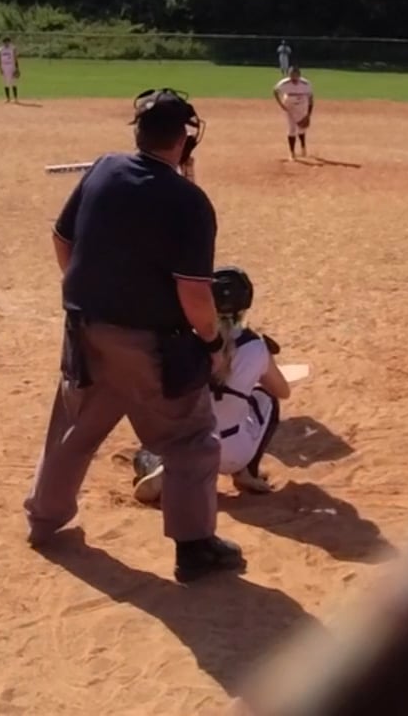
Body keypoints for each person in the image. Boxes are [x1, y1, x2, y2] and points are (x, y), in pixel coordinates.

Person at [23, 87, 246, 583]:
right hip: (152, 346)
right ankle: (194, 548)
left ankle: (43, 519)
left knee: (73, 429)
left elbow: (62, 239)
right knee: (190, 438)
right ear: (185, 141)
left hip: (86, 331)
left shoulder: (104, 168)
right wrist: (213, 343)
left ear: (139, 133)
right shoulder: (188, 201)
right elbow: (194, 293)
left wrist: (89, 292)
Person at [131, 264, 292, 504]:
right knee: (267, 398)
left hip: (192, 446)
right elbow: (282, 391)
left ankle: (166, 467)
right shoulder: (255, 346)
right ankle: (247, 471)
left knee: (147, 449)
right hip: (235, 453)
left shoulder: (187, 340)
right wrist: (257, 371)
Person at [274, 64, 314, 160]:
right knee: (292, 129)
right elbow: (275, 91)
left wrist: (309, 114)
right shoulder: (284, 83)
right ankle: (292, 153)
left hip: (302, 106)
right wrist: (281, 104)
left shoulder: (306, 84)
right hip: (290, 107)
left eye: (295, 75)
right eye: (291, 75)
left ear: (299, 75)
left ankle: (303, 147)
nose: (293, 77)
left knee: (302, 127)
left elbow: (311, 98)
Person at [0, 38, 22, 104]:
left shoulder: (12, 48)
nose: (6, 43)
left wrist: (17, 68)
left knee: (14, 82)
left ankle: (15, 98)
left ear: (9, 42)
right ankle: (8, 98)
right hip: (4, 67)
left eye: (8, 42)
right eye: (5, 42)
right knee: (5, 83)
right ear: (3, 42)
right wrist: (0, 68)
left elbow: (15, 58)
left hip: (12, 66)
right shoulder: (0, 49)